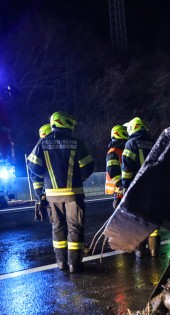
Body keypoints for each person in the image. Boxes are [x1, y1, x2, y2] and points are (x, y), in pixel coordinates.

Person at [27, 112, 94, 272]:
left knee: (58, 227)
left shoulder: (43, 142)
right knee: (75, 227)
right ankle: (74, 264)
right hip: (73, 194)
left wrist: (47, 176)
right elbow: (88, 167)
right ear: (65, 123)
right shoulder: (76, 143)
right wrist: (78, 178)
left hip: (52, 196)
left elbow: (32, 166)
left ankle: (61, 263)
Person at [122, 116, 159, 257]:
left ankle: (140, 251)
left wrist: (126, 188)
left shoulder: (131, 143)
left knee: (137, 220)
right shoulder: (153, 142)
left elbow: (126, 170)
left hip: (137, 188)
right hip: (153, 187)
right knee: (153, 220)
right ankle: (154, 250)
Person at [32, 124, 52, 221]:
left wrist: (39, 195)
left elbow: (34, 172)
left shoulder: (39, 148)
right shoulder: (45, 148)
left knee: (57, 224)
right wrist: (40, 194)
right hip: (51, 189)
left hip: (48, 190)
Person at [105, 124, 128, 209]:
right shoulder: (113, 152)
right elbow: (112, 171)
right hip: (119, 190)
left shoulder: (120, 151)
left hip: (120, 190)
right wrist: (121, 185)